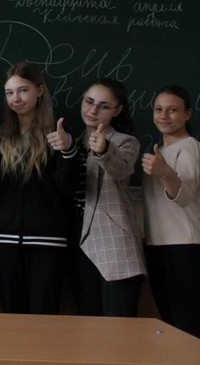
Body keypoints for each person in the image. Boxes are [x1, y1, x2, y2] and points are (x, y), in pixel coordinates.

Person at [0, 61, 78, 314]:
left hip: (49, 243)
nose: (16, 98)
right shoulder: (0, 140)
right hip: (5, 243)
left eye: (23, 90)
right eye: (9, 92)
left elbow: (69, 189)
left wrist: (67, 150)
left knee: (44, 319)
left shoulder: (59, 136)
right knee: (13, 319)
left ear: (40, 90)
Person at [70, 78, 146, 317]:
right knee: (87, 326)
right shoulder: (73, 143)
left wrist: (103, 149)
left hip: (113, 248)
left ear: (117, 110)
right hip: (78, 245)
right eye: (89, 102)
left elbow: (121, 168)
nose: (93, 110)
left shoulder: (124, 142)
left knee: (119, 327)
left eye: (103, 106)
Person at [141, 85, 200, 337]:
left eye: (172, 110)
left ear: (188, 114)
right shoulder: (161, 152)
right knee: (172, 324)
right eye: (158, 109)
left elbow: (185, 196)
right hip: (159, 245)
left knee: (188, 325)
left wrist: (166, 173)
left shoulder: (189, 147)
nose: (163, 116)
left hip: (185, 246)